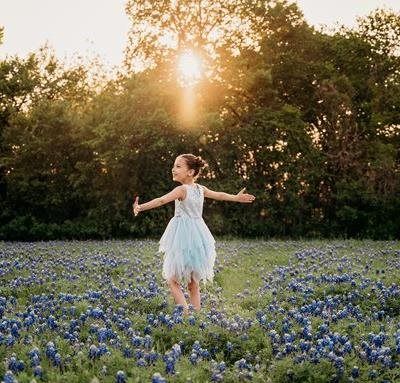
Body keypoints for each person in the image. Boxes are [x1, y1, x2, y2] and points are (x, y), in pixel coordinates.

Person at [132, 153, 255, 314]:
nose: (173, 169)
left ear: (190, 172)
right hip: (198, 235)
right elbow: (220, 195)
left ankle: (185, 313)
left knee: (172, 279)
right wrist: (236, 198)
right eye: (174, 166)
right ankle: (195, 316)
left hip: (182, 236)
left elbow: (161, 200)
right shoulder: (200, 189)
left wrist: (140, 207)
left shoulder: (182, 189)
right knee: (193, 283)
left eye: (178, 166)